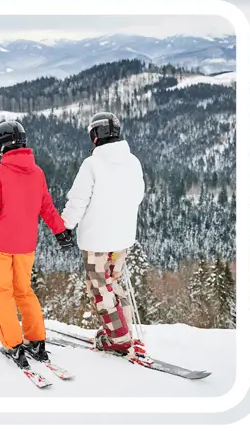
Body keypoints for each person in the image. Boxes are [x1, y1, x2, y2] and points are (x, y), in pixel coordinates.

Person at [0, 120, 73, 369]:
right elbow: (47, 208)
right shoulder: (37, 172)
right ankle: (37, 341)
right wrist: (60, 231)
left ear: (1, 145)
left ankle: (12, 344)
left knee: (2, 293)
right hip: (25, 245)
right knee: (24, 291)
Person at [61, 112, 146, 357]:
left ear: (95, 135)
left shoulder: (92, 165)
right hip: (122, 238)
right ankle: (123, 329)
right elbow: (137, 196)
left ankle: (117, 337)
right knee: (113, 282)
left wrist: (66, 226)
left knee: (100, 287)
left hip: (96, 240)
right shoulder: (133, 162)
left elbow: (78, 200)